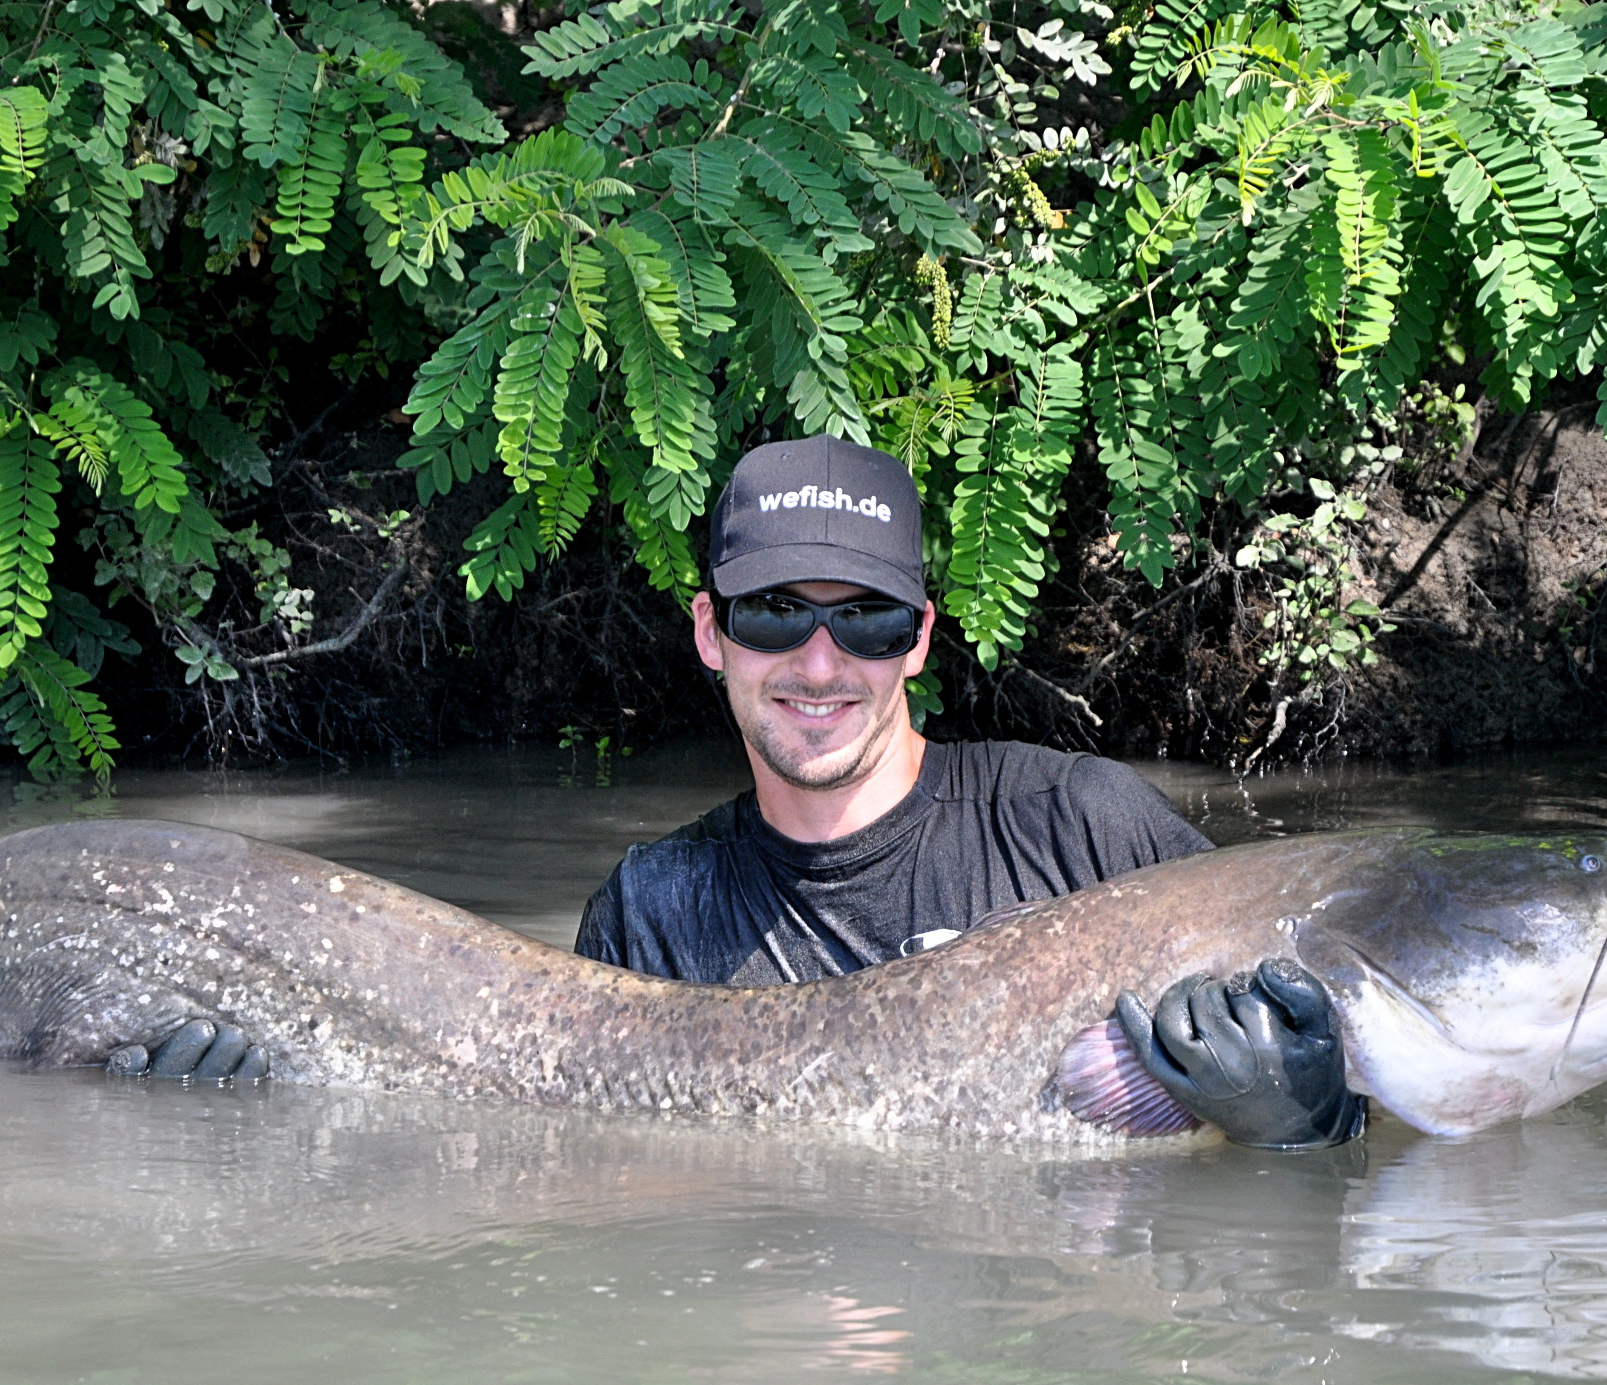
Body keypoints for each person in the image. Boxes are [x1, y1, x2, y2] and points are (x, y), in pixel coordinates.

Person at [573, 435, 1364, 1150]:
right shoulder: (649, 916)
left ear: (917, 637)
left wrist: (1311, 1124)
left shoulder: (1084, 829)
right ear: (711, 631)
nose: (819, 666)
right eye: (775, 614)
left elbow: (1364, 1112)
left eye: (867, 619)